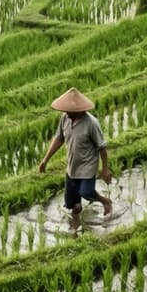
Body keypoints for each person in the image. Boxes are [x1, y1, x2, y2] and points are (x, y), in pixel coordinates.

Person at [37, 87, 113, 223]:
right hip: (72, 166)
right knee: (72, 204)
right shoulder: (64, 119)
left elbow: (102, 147)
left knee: (86, 192)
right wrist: (45, 160)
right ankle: (76, 224)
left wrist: (105, 169)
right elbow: (59, 139)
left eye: (68, 110)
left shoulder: (91, 123)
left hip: (87, 166)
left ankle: (105, 201)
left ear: (78, 110)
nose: (66, 112)